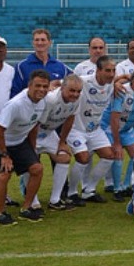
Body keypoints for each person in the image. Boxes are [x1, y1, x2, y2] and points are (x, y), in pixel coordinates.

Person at [0, 70, 50, 225]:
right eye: (38, 86)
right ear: (29, 85)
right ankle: (0, 213)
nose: (41, 89)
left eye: (45, 86)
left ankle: (26, 208)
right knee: (4, 173)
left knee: (37, 169)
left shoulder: (44, 102)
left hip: (19, 140)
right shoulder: (16, 104)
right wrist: (4, 155)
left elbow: (34, 126)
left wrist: (33, 150)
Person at [66, 56, 118, 205]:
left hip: (95, 129)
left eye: (113, 70)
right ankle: (72, 192)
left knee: (109, 156)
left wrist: (120, 81)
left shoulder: (111, 83)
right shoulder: (84, 81)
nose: (111, 74)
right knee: (83, 158)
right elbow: (65, 83)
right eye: (107, 70)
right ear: (98, 70)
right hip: (76, 128)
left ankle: (89, 190)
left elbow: (121, 80)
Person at [30, 74, 82, 211]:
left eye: (78, 91)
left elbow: (70, 119)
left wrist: (62, 142)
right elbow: (35, 123)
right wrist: (31, 144)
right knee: (31, 164)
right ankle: (32, 201)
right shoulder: (51, 99)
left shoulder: (77, 100)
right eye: (72, 90)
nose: (75, 94)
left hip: (49, 133)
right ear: (62, 88)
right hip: (31, 133)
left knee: (64, 157)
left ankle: (55, 200)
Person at [102, 69, 134, 201]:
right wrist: (117, 142)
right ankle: (117, 189)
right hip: (111, 129)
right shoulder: (122, 91)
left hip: (127, 129)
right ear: (133, 83)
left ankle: (126, 185)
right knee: (118, 155)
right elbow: (114, 119)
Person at [10, 28, 71, 97]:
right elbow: (15, 93)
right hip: (31, 106)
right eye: (37, 40)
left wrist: (59, 82)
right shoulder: (21, 67)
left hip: (53, 107)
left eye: (43, 40)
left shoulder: (61, 66)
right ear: (33, 43)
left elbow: (74, 82)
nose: (39, 43)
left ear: (50, 43)